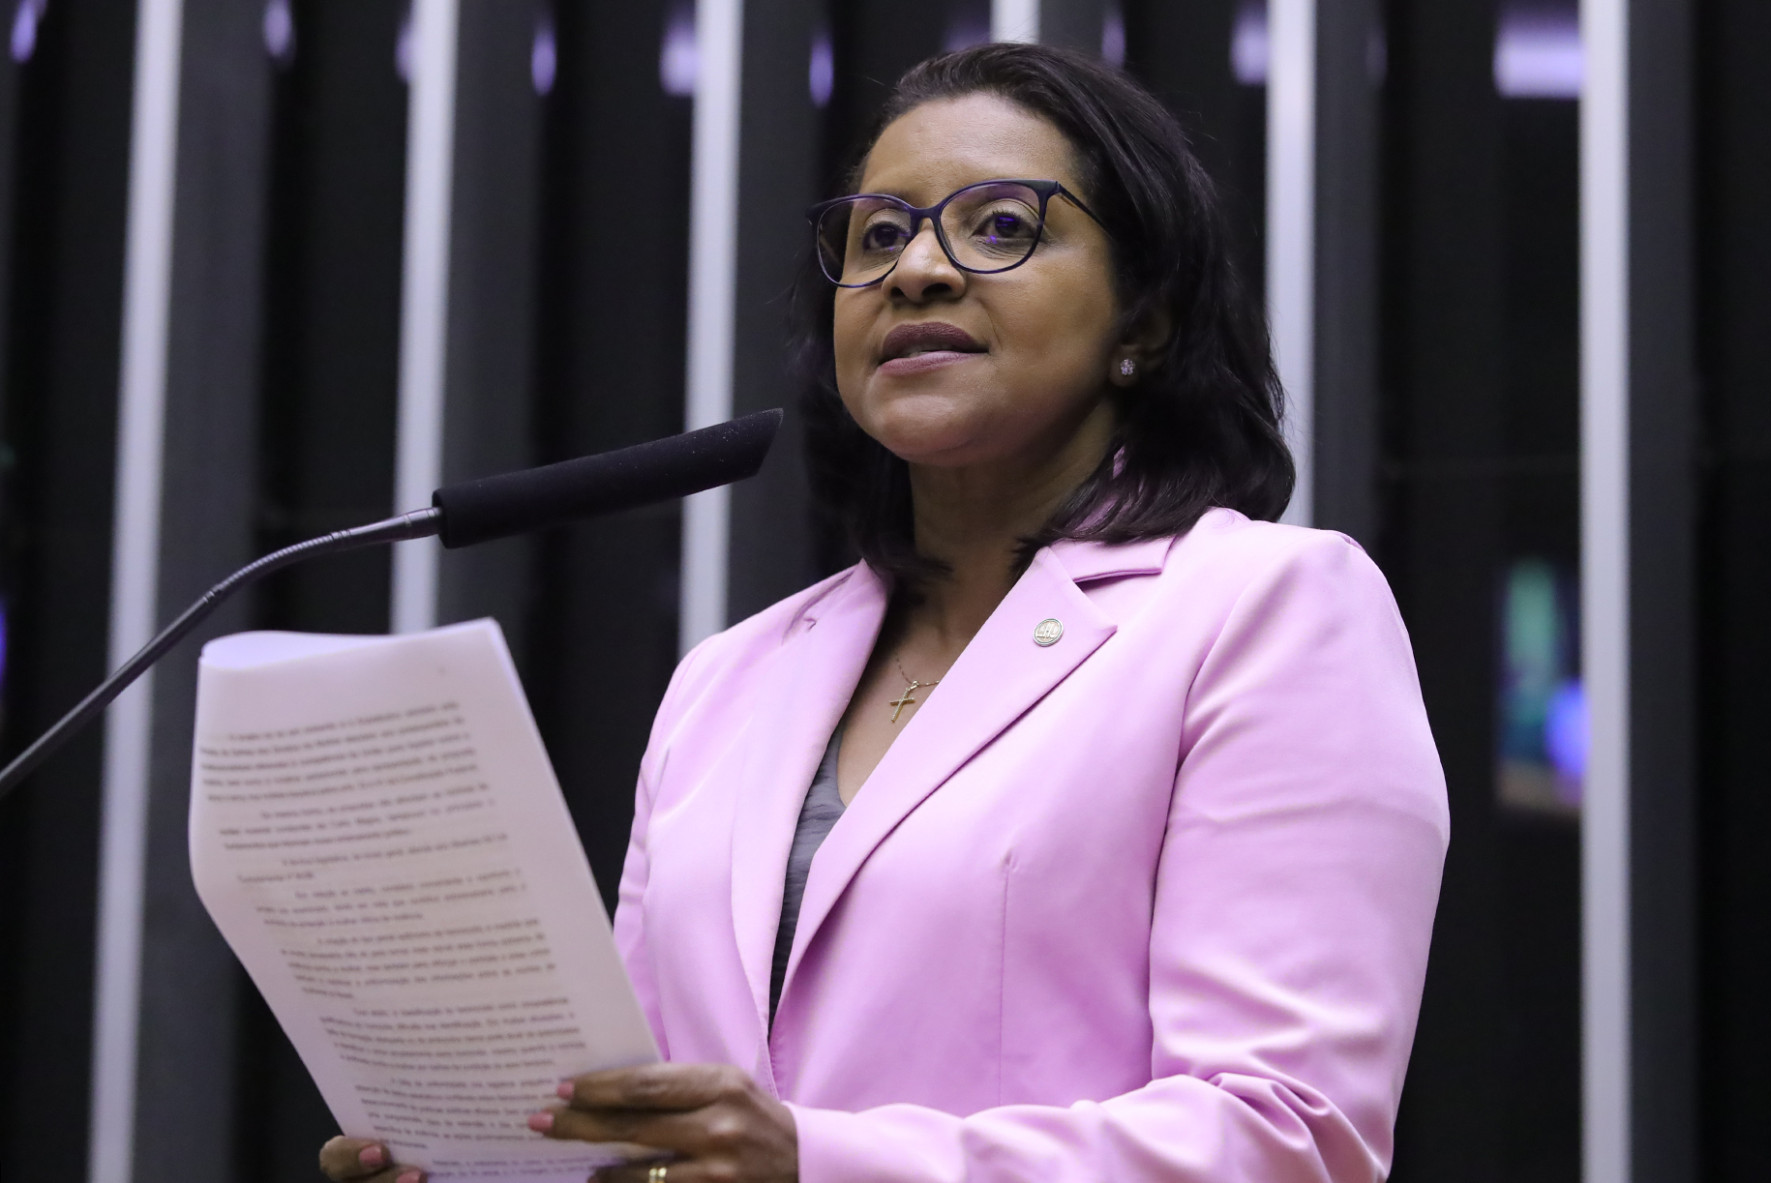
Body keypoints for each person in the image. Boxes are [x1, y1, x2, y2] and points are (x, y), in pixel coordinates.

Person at [322, 41, 1446, 1183]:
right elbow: (651, 1134)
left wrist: (818, 1161)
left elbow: (1290, 1137)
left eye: (1001, 226)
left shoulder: (1263, 611)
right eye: (877, 235)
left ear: (1143, 321)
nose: (917, 270)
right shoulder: (731, 678)